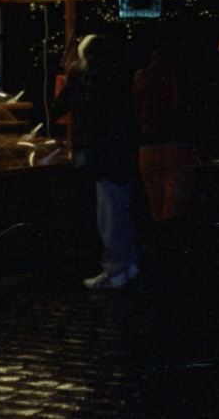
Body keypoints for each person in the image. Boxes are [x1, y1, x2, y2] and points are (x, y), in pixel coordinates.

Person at [52, 34, 140, 289]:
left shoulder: (85, 77)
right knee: (123, 208)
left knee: (108, 212)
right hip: (124, 151)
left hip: (100, 153)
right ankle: (129, 263)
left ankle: (114, 271)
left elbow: (61, 106)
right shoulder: (122, 74)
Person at [134, 44, 201, 231]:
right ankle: (172, 246)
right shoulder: (183, 77)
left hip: (149, 142)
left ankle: (160, 245)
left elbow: (136, 106)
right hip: (178, 143)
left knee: (156, 204)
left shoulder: (142, 77)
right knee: (175, 207)